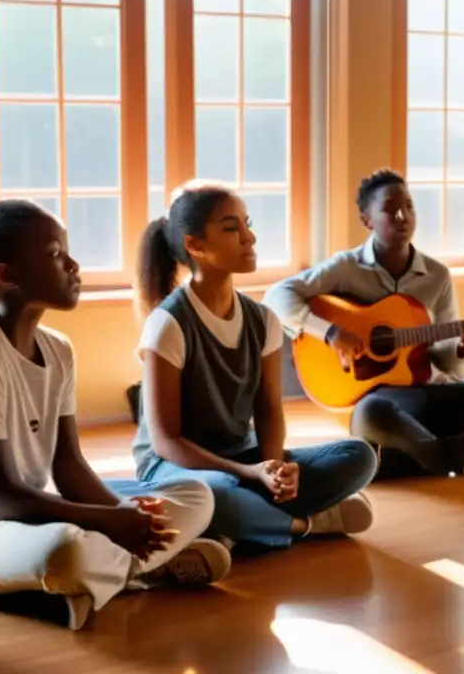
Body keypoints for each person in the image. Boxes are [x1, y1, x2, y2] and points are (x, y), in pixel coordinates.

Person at [0, 200, 231, 632]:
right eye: (54, 254)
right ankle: (139, 571)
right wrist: (109, 521)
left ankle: (95, 584)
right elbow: (3, 500)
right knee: (65, 550)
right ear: (7, 276)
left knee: (199, 496)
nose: (73, 264)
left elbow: (67, 466)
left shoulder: (58, 349)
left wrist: (126, 513)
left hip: (34, 513)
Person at [123, 181, 378, 552]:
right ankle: (308, 523)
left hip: (243, 456)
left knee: (360, 457)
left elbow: (270, 411)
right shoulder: (167, 325)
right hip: (174, 466)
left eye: (248, 223)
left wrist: (273, 468)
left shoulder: (263, 320)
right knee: (218, 495)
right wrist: (248, 473)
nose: (250, 237)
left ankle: (230, 529)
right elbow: (166, 442)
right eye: (231, 228)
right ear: (196, 246)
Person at [263, 169, 464, 479]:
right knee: (371, 414)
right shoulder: (345, 267)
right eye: (388, 208)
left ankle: (417, 457)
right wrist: (330, 332)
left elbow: (447, 364)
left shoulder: (437, 276)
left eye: (408, 206)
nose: (402, 216)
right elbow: (276, 295)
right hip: (380, 400)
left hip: (429, 392)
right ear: (366, 220)